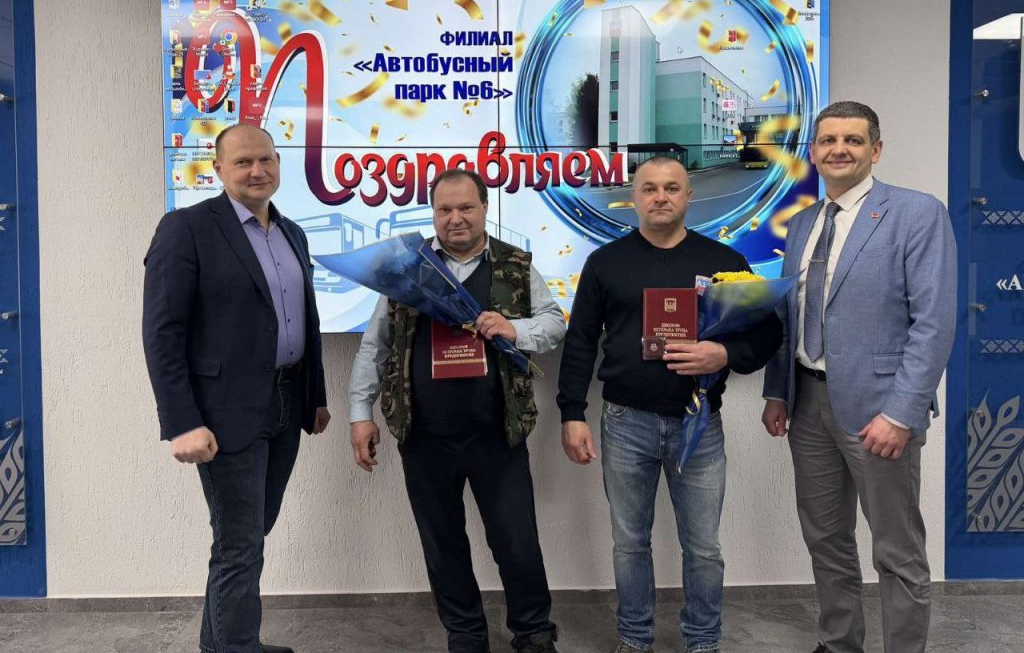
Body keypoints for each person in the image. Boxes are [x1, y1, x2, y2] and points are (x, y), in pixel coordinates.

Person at [557, 156, 782, 653]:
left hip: (698, 424)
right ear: (634, 197)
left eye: (672, 188)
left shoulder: (725, 262)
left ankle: (703, 641)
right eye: (650, 188)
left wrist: (724, 353)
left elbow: (767, 332)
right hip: (624, 423)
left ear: (688, 196)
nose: (661, 197)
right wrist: (571, 413)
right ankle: (634, 639)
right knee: (629, 543)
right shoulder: (605, 263)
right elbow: (580, 342)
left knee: (703, 548)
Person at [761, 101, 956, 653]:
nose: (839, 149)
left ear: (876, 149)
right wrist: (777, 392)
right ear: (813, 152)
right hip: (807, 406)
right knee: (826, 540)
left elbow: (934, 323)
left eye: (853, 139)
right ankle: (839, 641)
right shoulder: (803, 224)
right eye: (828, 140)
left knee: (896, 549)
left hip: (880, 412)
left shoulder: (917, 213)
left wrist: (901, 413)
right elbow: (789, 315)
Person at [348, 169, 566, 653]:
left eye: (466, 207)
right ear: (433, 213)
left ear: (485, 208)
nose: (456, 218)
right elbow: (374, 347)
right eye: (444, 209)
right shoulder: (407, 271)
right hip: (424, 435)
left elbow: (554, 324)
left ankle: (533, 631)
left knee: (516, 540)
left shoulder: (515, 265)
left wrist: (514, 329)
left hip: (498, 433)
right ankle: (465, 634)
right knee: (443, 544)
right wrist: (360, 414)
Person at [143, 123, 330, 653]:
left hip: (287, 403)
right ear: (218, 169)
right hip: (224, 413)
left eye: (266, 159)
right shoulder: (186, 228)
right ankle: (236, 646)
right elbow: (162, 332)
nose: (257, 170)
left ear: (279, 164)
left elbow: (303, 319)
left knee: (247, 536)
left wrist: (315, 396)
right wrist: (182, 422)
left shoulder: (292, 233)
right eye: (243, 161)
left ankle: (223, 642)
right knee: (240, 545)